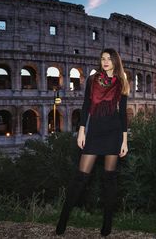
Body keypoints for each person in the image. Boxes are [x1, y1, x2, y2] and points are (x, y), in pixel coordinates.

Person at [55, 48, 129, 236]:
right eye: (103, 59)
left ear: (115, 62)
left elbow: (122, 114)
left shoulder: (121, 82)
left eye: (109, 59)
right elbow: (86, 106)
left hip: (113, 132)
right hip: (94, 130)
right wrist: (81, 131)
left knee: (109, 180)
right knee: (80, 178)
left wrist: (124, 141)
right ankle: (62, 220)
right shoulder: (92, 80)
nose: (105, 62)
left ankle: (107, 224)